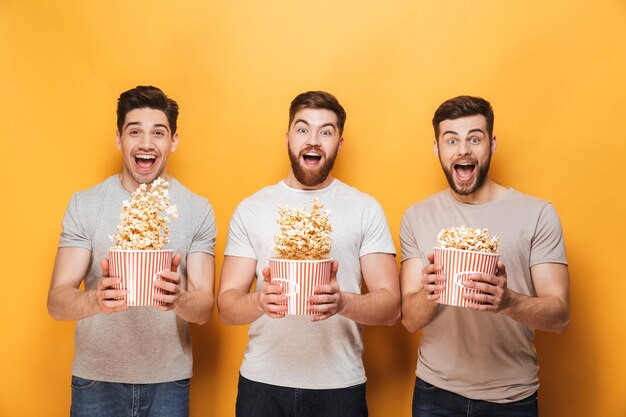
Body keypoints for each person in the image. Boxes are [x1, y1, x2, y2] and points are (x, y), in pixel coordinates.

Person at [217, 90, 400, 417]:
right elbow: (227, 307)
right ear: (288, 138)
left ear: (339, 143)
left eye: (326, 132)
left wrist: (344, 302)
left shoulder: (364, 209)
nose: (313, 140)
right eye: (303, 130)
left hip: (339, 387)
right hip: (262, 384)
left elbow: (390, 307)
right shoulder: (252, 209)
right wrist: (259, 300)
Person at [47, 85, 216, 417]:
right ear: (119, 139)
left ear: (174, 141)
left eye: (158, 133)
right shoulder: (87, 204)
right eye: (134, 131)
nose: (146, 144)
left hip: (169, 380)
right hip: (96, 379)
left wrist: (179, 299)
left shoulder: (197, 210)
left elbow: (205, 307)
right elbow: (56, 301)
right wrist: (94, 299)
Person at [400, 95, 570, 416]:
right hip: (435, 392)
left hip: (512, 397)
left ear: (491, 145)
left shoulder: (537, 214)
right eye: (451, 140)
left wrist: (508, 301)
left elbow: (560, 316)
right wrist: (432, 292)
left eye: (474, 139)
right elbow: (409, 319)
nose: (463, 149)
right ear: (438, 149)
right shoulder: (417, 217)